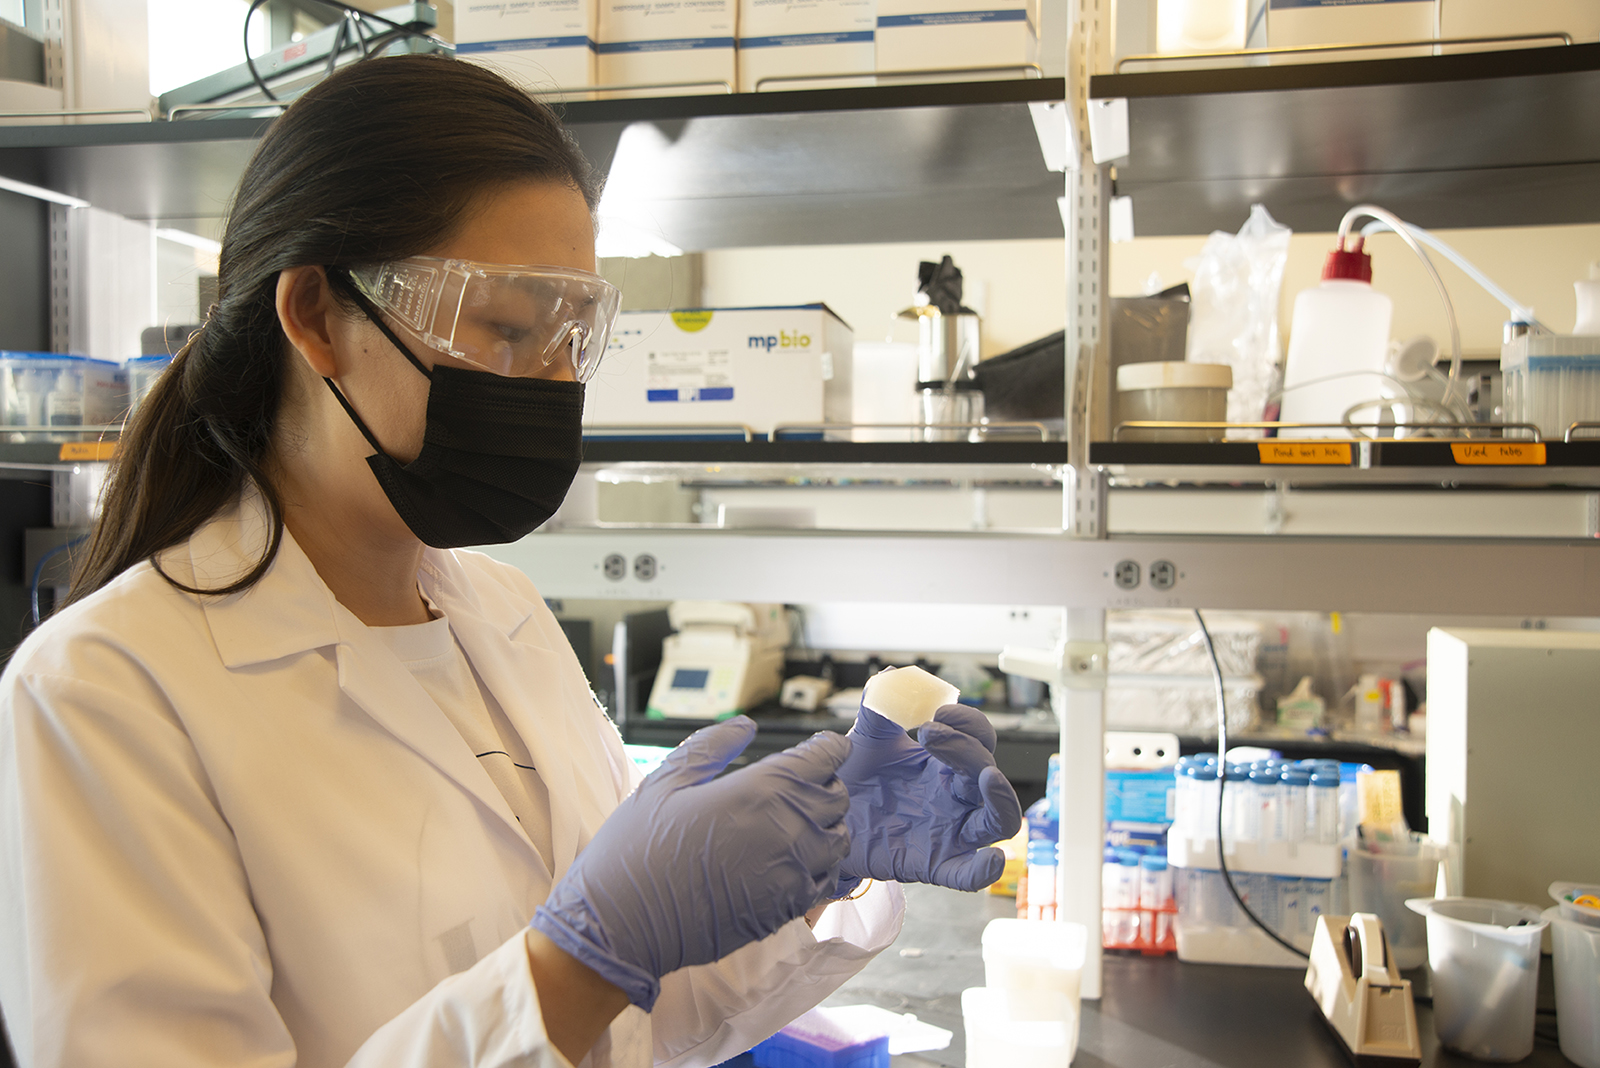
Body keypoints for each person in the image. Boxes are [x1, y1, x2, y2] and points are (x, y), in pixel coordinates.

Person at [0, 54, 1021, 1068]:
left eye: (572, 332)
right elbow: (586, 971)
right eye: (503, 327)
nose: (549, 379)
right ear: (316, 315)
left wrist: (822, 874)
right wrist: (582, 960)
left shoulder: (504, 611)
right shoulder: (102, 693)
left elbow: (645, 1012)